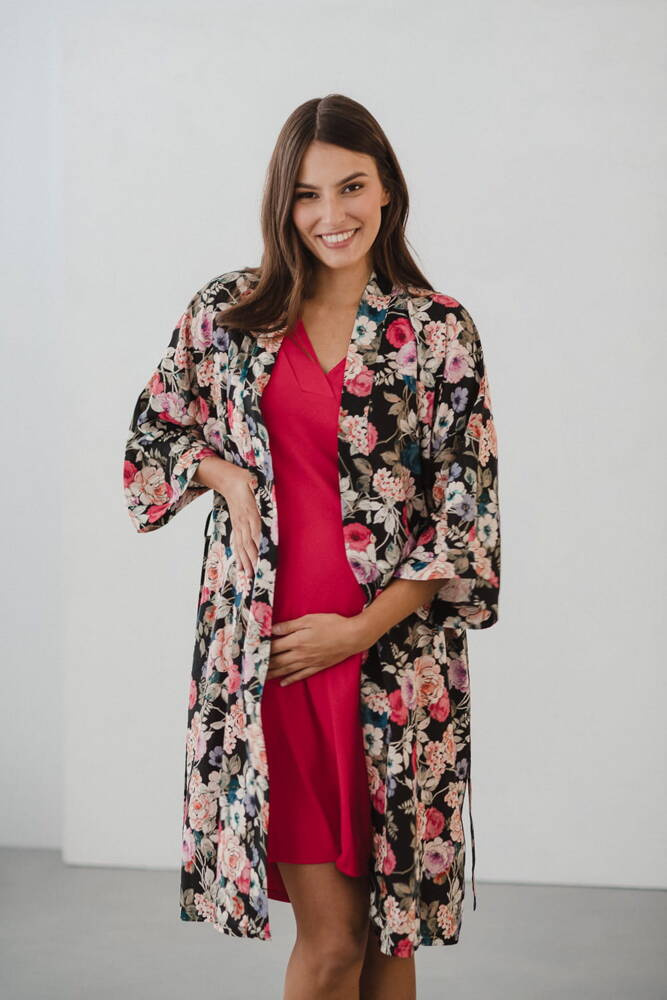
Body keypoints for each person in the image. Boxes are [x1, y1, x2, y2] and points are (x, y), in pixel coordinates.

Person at [123, 93, 501, 1000]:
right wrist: (224, 473)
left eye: (351, 186)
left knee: (389, 941)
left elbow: (463, 517)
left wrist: (359, 630)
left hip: (394, 664)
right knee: (332, 944)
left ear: (387, 188)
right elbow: (150, 442)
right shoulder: (229, 314)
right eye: (306, 194)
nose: (331, 213)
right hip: (275, 660)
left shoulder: (436, 330)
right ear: (281, 204)